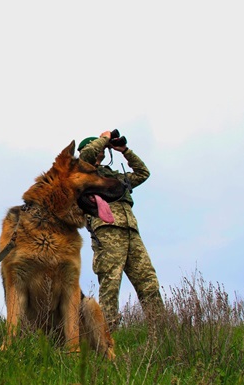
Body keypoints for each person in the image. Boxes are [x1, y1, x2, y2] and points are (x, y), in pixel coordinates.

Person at [78, 131, 165, 331]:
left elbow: (143, 173)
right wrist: (104, 139)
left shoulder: (116, 177)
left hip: (131, 232)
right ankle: (108, 332)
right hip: (107, 232)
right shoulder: (84, 174)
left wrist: (125, 150)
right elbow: (86, 156)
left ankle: (162, 330)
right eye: (99, 148)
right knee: (111, 282)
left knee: (148, 281)